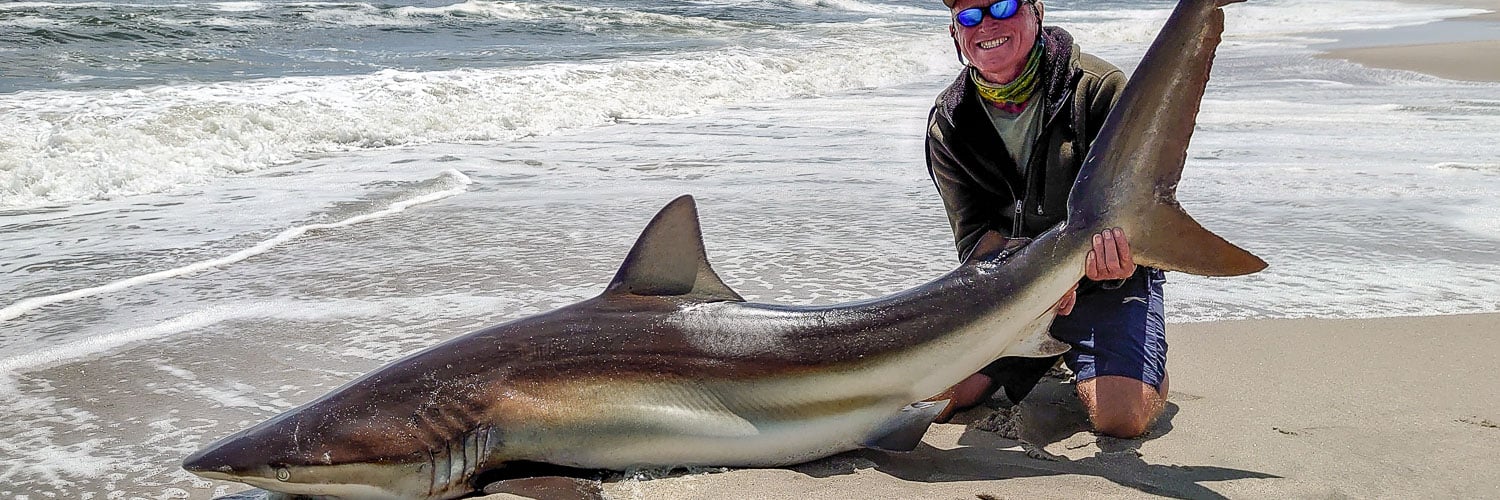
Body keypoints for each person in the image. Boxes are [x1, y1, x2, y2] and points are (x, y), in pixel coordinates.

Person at [924, 0, 1169, 438]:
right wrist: (1030, 295)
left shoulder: (1098, 90)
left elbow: (1142, 209)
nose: (987, 24)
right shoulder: (950, 123)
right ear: (955, 34)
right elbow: (975, 243)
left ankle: (1141, 361)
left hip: (1106, 276)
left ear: (1037, 11)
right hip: (1015, 291)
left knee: (1120, 418)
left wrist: (1125, 258)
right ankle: (1047, 348)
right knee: (933, 399)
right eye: (969, 16)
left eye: (1002, 5)